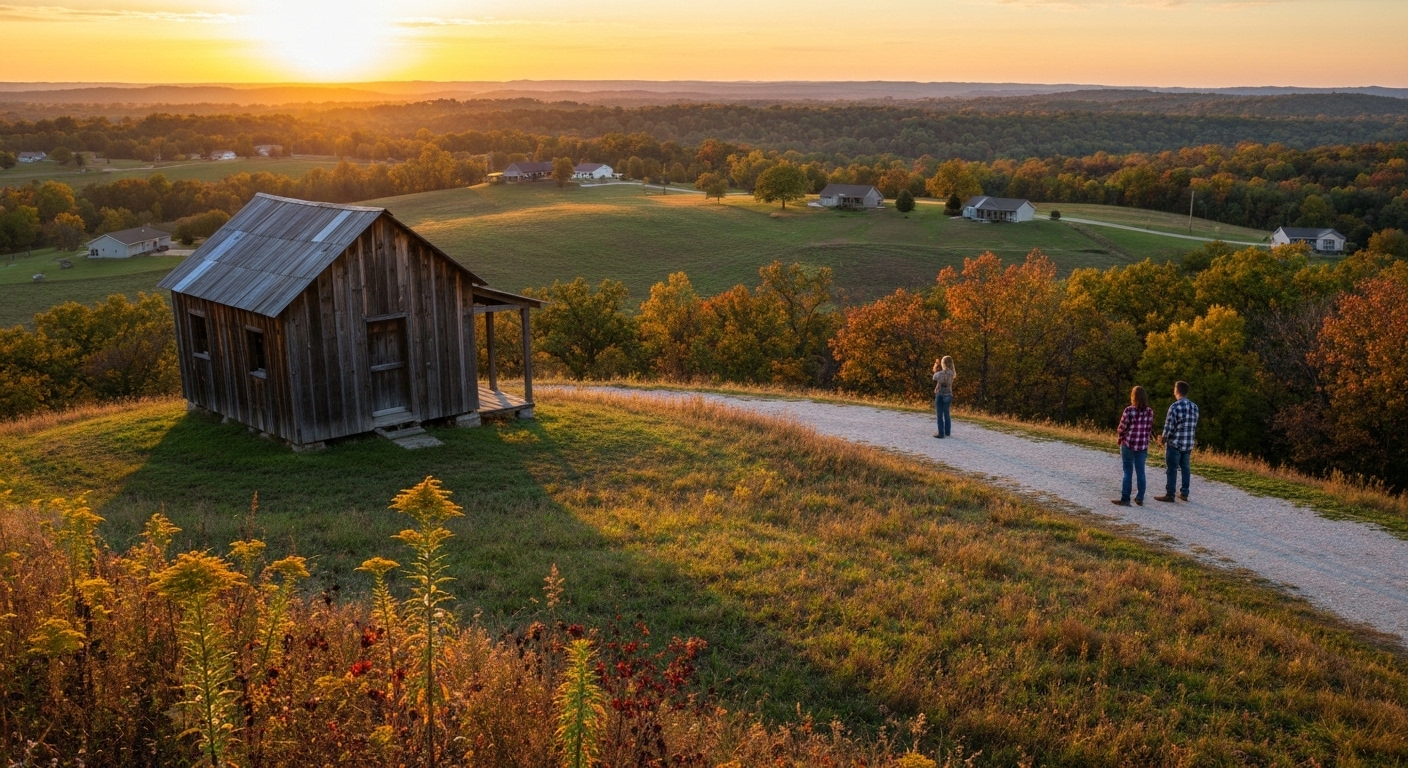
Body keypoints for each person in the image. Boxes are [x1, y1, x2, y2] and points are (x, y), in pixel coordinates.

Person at [1154, 380, 1199, 503]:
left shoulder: (1175, 406)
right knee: (1185, 467)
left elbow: (1169, 426)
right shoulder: (1195, 407)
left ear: (1177, 390)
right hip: (1188, 442)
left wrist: (1163, 439)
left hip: (1175, 442)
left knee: (1172, 468)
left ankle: (1170, 494)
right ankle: (1184, 492)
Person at [1112, 385, 1154, 507]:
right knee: (1141, 471)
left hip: (1129, 443)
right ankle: (1140, 497)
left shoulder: (1129, 410)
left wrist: (1121, 436)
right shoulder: (1149, 411)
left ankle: (1125, 498)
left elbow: (1122, 428)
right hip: (1142, 445)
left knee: (1127, 471)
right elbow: (1149, 429)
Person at [931, 356, 955, 438]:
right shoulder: (953, 374)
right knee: (947, 413)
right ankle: (947, 432)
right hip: (949, 394)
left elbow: (934, 377)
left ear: (943, 363)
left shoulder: (940, 374)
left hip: (940, 394)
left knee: (939, 414)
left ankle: (941, 433)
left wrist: (936, 367)